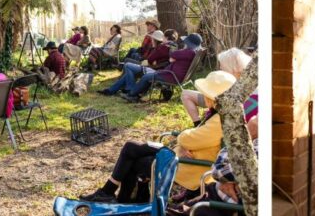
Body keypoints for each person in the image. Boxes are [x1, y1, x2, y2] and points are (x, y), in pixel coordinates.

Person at [81, 70, 236, 204]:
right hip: (182, 156)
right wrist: (184, 143)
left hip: (189, 164)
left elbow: (188, 138)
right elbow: (192, 139)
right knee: (131, 149)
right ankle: (116, 196)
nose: (203, 96)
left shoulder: (220, 121)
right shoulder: (219, 114)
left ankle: (117, 197)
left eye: (206, 93)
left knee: (135, 158)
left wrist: (183, 141)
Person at [123, 31, 202, 101]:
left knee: (146, 76)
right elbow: (171, 59)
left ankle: (131, 94)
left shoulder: (188, 52)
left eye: (186, 42)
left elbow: (172, 55)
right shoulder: (193, 52)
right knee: (149, 76)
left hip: (171, 76)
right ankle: (137, 94)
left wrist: (177, 55)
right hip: (175, 75)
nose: (184, 43)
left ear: (188, 43)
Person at [184, 46, 251, 124]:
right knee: (185, 94)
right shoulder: (244, 80)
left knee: (186, 95)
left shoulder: (238, 86)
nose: (220, 68)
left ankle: (198, 125)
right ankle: (198, 125)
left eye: (222, 67)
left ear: (234, 68)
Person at [103, 29, 175, 95]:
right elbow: (151, 60)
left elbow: (149, 60)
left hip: (151, 69)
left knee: (128, 65)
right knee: (129, 70)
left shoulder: (162, 47)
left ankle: (129, 88)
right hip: (152, 67)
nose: (151, 40)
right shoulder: (170, 47)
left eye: (152, 39)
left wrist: (142, 63)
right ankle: (111, 90)